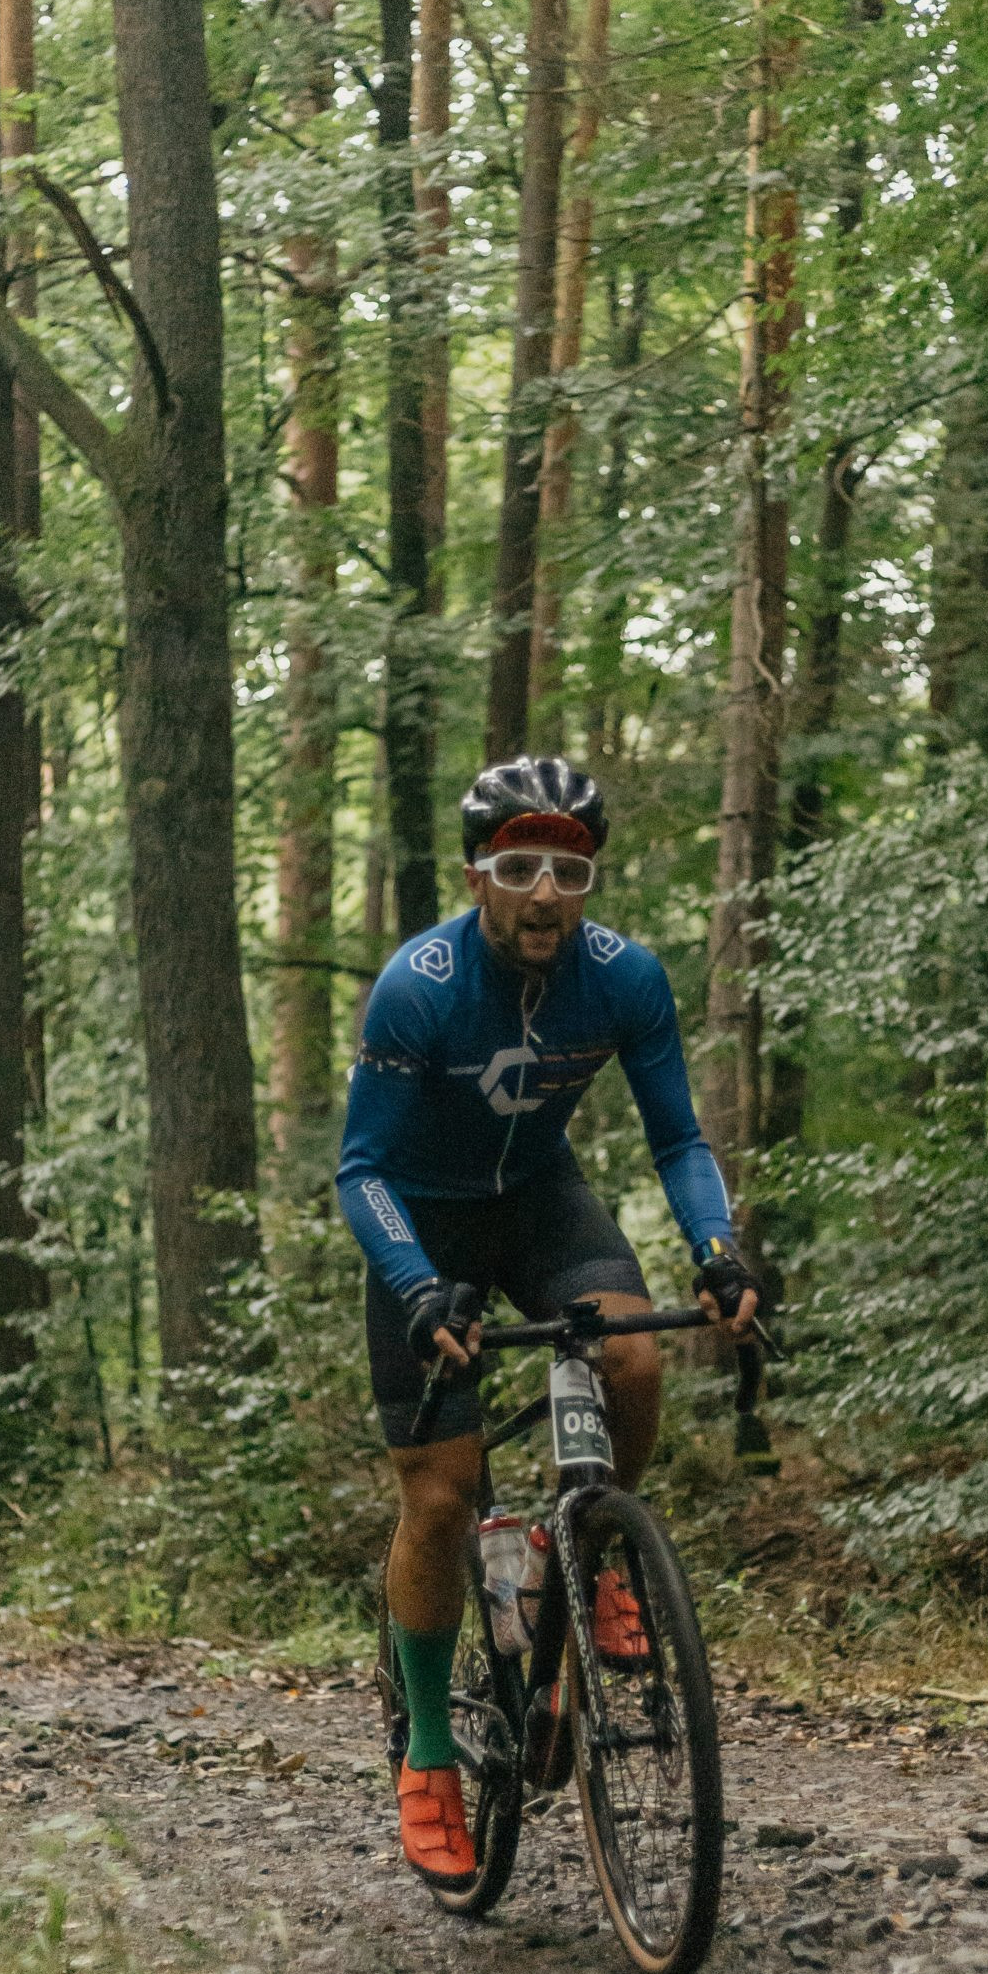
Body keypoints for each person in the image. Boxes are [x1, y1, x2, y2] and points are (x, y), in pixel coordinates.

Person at [336, 756, 761, 1890]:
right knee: (440, 1497)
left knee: (633, 1356)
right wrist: (416, 1287)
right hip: (420, 1221)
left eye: (568, 873)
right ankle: (429, 1752)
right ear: (477, 875)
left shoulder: (625, 978)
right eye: (519, 867)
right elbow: (360, 1168)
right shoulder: (419, 987)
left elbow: (677, 1139)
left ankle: (589, 1553)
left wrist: (716, 1252)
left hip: (538, 1203)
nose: (543, 894)